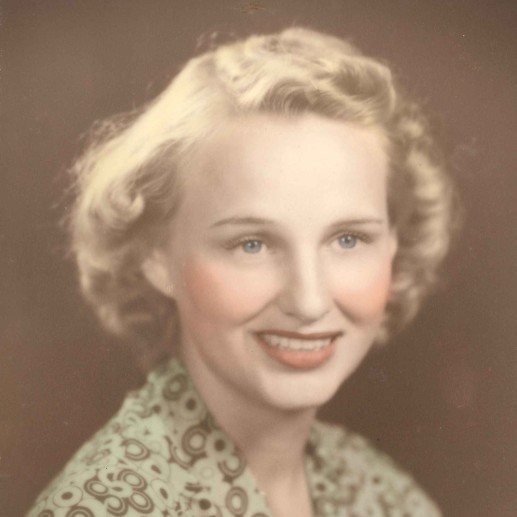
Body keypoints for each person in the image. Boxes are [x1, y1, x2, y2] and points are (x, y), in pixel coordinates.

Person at [29, 27, 457, 516]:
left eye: (348, 239)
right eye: (252, 244)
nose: (309, 301)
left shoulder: (381, 493)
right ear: (156, 255)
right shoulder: (105, 507)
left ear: (393, 246)